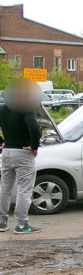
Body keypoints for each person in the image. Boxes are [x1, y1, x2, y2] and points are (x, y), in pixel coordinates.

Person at [0, 83, 42, 234]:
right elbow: (34, 128)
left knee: (5, 188)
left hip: (6, 152)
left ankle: (1, 222)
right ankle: (22, 225)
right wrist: (34, 146)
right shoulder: (25, 109)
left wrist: (1, 142)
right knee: (24, 189)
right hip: (23, 154)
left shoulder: (2, 109)